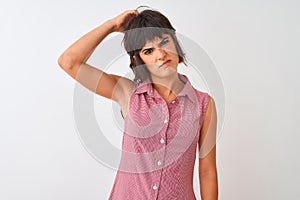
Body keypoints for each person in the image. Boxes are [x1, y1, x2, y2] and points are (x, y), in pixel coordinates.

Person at [58, 7, 218, 200]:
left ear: (175, 41)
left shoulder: (204, 105)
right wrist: (112, 25)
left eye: (164, 42)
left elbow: (207, 171)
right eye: (148, 51)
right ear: (138, 59)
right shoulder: (127, 93)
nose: (160, 55)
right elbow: (69, 62)